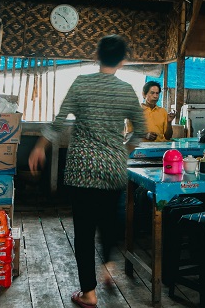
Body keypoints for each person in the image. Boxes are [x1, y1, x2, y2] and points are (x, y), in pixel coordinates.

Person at [28, 34, 146, 308]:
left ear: (96, 56)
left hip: (82, 170)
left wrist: (40, 146)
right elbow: (141, 130)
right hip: (114, 169)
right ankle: (108, 266)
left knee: (83, 231)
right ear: (123, 60)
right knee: (108, 223)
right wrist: (122, 151)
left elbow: (58, 122)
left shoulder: (81, 84)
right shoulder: (127, 90)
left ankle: (89, 294)